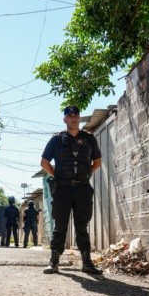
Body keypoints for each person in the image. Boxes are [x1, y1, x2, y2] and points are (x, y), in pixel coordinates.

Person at [40, 105, 103, 275]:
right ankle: (54, 262)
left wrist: (87, 173)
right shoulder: (56, 140)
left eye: (76, 116)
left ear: (79, 118)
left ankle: (87, 262)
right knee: (60, 225)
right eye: (70, 116)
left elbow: (97, 161)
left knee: (82, 225)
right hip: (63, 188)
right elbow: (44, 162)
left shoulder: (89, 138)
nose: (73, 118)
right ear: (65, 119)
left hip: (82, 188)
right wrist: (56, 175)